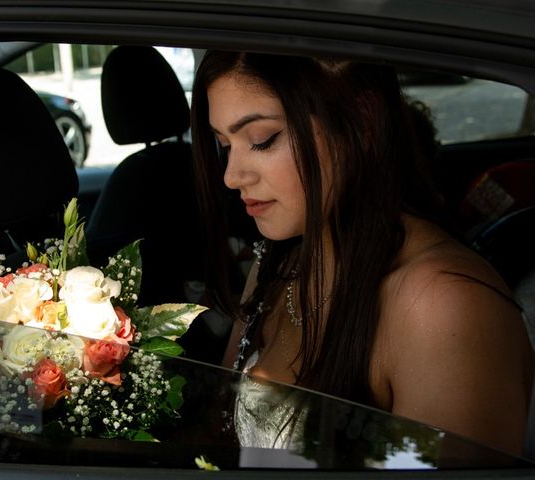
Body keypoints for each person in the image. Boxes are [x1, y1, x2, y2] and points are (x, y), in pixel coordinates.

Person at [190, 51, 534, 455]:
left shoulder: (442, 306)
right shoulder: (277, 263)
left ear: (361, 119)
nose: (232, 175)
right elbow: (220, 435)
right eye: (224, 144)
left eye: (262, 140)